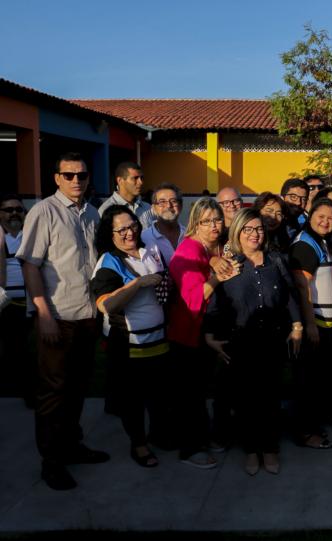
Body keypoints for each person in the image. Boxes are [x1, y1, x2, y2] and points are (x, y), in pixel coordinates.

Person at [17, 152, 108, 490]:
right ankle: (51, 462)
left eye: (81, 175)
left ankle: (72, 445)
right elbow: (30, 264)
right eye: (68, 175)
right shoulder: (44, 212)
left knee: (77, 388)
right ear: (56, 178)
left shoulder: (92, 214)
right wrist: (43, 313)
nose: (75, 181)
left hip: (87, 316)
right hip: (58, 316)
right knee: (53, 392)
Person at [205, 208, 302, 475]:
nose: (254, 234)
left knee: (270, 398)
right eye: (247, 228)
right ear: (237, 231)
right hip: (241, 343)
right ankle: (251, 450)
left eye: (258, 228)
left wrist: (296, 326)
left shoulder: (277, 261)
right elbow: (215, 305)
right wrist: (210, 337)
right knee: (246, 400)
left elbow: (290, 296)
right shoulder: (230, 264)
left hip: (272, 341)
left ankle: (269, 449)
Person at [91, 206, 168, 468]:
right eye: (121, 229)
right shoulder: (109, 261)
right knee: (132, 398)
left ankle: (157, 434)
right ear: (109, 234)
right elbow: (105, 305)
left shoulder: (151, 251)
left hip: (158, 338)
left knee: (158, 392)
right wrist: (136, 284)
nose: (129, 232)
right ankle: (139, 444)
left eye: (132, 225)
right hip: (128, 343)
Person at [167, 197, 237, 469]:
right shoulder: (188, 251)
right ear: (195, 223)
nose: (213, 226)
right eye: (206, 221)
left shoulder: (214, 247)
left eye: (217, 219)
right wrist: (218, 275)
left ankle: (205, 437)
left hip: (206, 331)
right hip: (187, 334)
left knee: (204, 390)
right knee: (191, 396)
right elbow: (194, 299)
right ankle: (191, 448)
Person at [289, 197, 332, 449]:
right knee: (306, 381)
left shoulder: (323, 241)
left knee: (317, 379)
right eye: (321, 216)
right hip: (314, 323)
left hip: (325, 322)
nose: (326, 221)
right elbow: (301, 286)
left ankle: (313, 425)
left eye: (331, 217)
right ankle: (305, 432)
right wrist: (309, 324)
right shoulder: (305, 245)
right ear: (310, 216)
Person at [0, 194, 34, 406]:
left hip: (28, 302)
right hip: (3, 302)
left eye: (18, 210)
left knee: (26, 350)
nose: (14, 213)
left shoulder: (30, 236)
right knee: (9, 349)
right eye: (8, 209)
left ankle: (28, 392)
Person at [98, 162, 154, 227]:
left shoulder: (147, 207)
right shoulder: (106, 209)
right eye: (135, 178)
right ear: (120, 180)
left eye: (141, 178)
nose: (140, 182)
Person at [141, 183, 185, 266]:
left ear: (181, 206)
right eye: (162, 202)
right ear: (154, 208)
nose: (168, 206)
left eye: (173, 201)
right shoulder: (144, 239)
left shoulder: (190, 235)